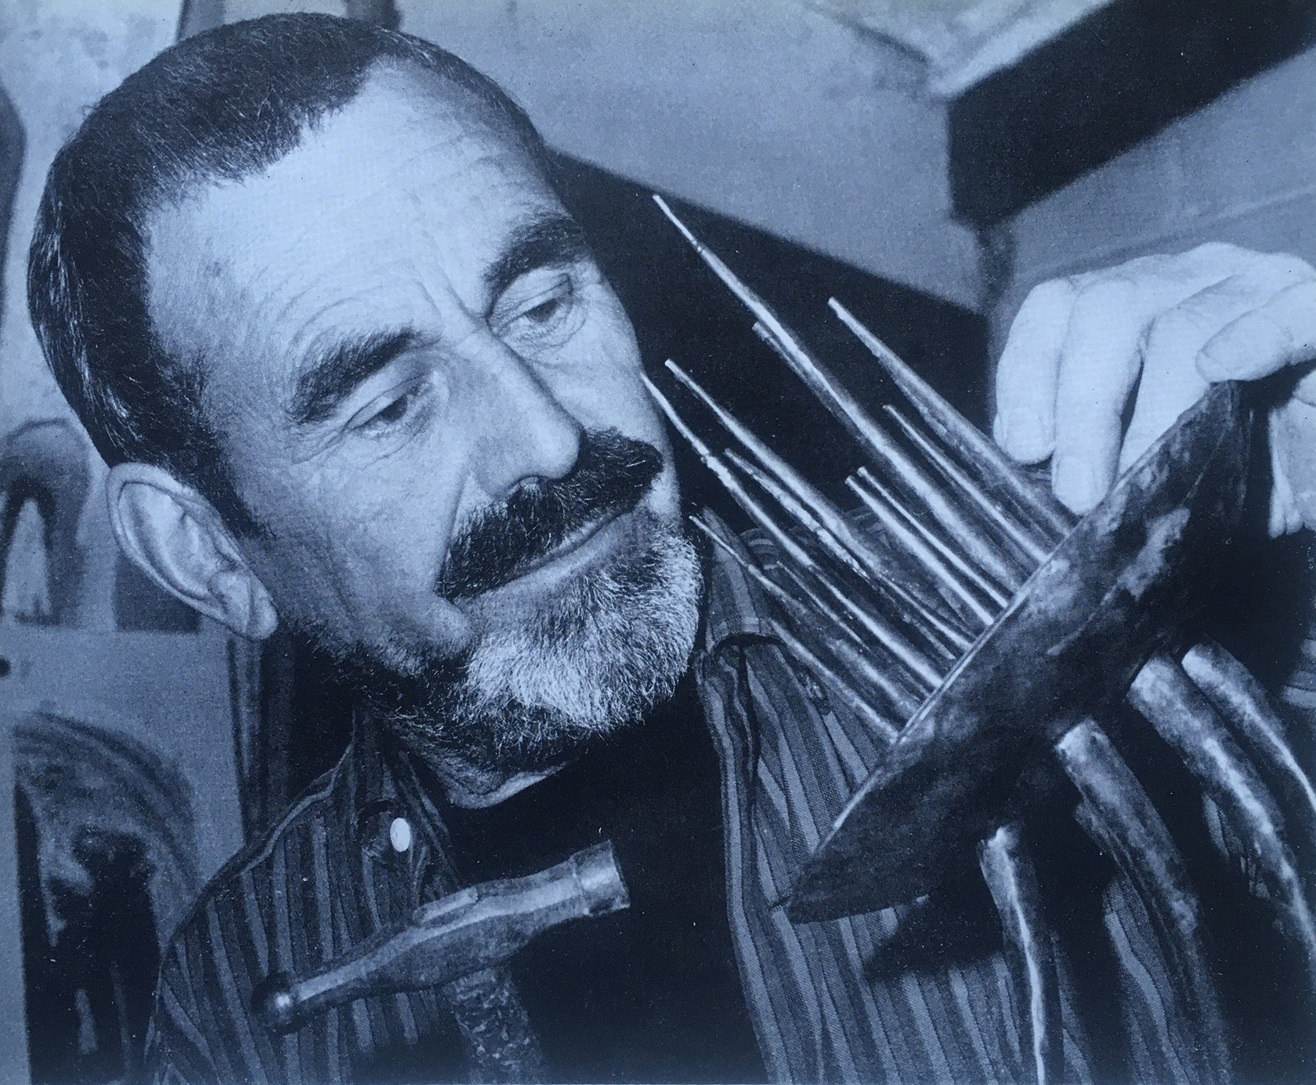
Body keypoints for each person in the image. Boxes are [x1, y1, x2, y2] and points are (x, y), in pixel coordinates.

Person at [25, 12, 1316, 1085]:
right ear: (208, 557)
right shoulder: (234, 995)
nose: (544, 434)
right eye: (388, 404)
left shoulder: (1036, 611)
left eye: (540, 301)